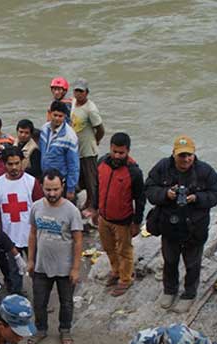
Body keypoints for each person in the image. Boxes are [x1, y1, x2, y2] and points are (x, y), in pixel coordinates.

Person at [145, 135, 217, 313]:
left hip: (195, 227)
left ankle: (189, 293)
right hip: (169, 226)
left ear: (194, 155)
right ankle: (169, 290)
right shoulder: (162, 167)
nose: (186, 159)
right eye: (182, 155)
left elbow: (216, 194)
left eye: (189, 155)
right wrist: (165, 194)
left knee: (193, 263)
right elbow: (149, 189)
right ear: (174, 154)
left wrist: (197, 198)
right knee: (170, 260)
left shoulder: (205, 171)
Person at [26, 169, 83, 344]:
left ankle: (65, 330)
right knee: (39, 301)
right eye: (48, 189)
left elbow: (78, 240)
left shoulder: (71, 211)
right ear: (41, 186)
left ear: (62, 187)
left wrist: (75, 268)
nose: (52, 194)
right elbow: (33, 234)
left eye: (56, 189)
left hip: (64, 268)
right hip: (41, 266)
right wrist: (30, 260)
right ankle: (41, 329)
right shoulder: (36, 207)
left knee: (66, 302)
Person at [92, 133, 145, 297]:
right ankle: (116, 271)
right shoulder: (101, 163)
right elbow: (96, 188)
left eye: (121, 153)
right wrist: (95, 210)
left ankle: (126, 278)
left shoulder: (133, 172)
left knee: (124, 250)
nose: (117, 155)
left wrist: (137, 222)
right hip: (104, 216)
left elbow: (140, 199)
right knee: (108, 247)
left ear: (128, 151)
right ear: (110, 148)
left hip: (123, 220)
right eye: (114, 151)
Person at [0, 147, 44, 254]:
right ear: (4, 164)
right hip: (9, 237)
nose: (14, 167)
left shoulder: (31, 182)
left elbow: (41, 209)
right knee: (13, 270)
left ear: (22, 162)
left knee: (36, 268)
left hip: (31, 235)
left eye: (17, 163)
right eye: (10, 164)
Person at [70, 78, 105, 216]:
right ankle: (89, 201)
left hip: (88, 150)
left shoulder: (91, 109)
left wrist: (96, 141)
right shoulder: (74, 103)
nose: (78, 94)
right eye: (76, 91)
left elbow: (101, 129)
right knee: (82, 178)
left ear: (86, 93)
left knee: (91, 180)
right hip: (76, 148)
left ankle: (94, 206)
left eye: (81, 91)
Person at [39, 101, 80, 202]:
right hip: (46, 179)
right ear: (50, 113)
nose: (57, 118)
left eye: (60, 116)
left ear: (65, 116)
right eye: (55, 115)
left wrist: (71, 189)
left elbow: (74, 165)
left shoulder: (69, 136)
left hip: (61, 182)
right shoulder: (44, 129)